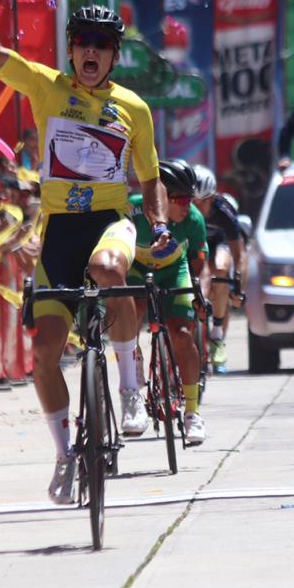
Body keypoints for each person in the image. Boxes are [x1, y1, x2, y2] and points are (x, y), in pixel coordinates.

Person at [0, 0, 169, 504]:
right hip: (59, 231)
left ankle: (132, 389)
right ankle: (65, 455)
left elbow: (150, 177)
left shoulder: (134, 107)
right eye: (82, 42)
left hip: (110, 222)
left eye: (101, 45)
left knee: (111, 271)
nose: (90, 52)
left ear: (113, 55)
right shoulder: (46, 87)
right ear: (71, 48)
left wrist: (158, 225)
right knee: (43, 353)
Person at [113, 159, 208, 443]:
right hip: (137, 271)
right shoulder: (134, 208)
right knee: (135, 307)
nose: (186, 205)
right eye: (178, 198)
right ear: (161, 197)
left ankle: (192, 412)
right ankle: (135, 359)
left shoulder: (193, 220)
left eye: (189, 198)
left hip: (173, 272)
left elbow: (198, 267)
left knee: (181, 334)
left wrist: (198, 297)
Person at [189, 165, 247, 372]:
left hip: (218, 244)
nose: (195, 207)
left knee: (221, 269)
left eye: (201, 202)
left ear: (212, 198)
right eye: (192, 201)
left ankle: (217, 336)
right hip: (196, 243)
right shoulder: (183, 210)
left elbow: (240, 255)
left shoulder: (223, 211)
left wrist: (239, 287)